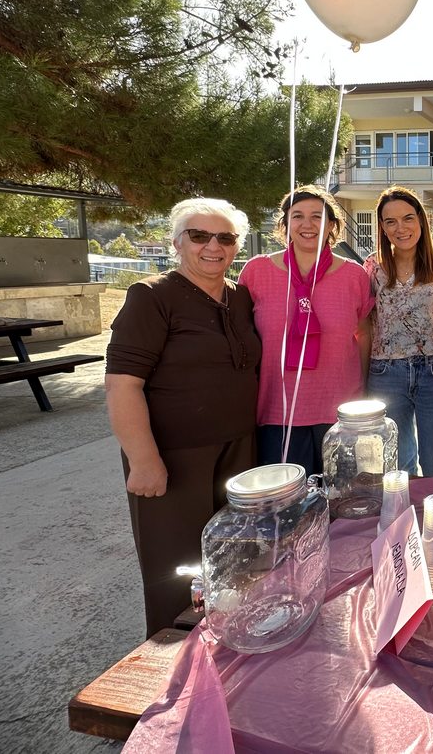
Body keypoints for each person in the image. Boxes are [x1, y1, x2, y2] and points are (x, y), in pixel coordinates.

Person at [105, 197, 261, 637]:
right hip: (173, 457)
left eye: (225, 237)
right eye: (199, 235)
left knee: (235, 564)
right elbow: (122, 384)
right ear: (177, 242)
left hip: (239, 452)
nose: (213, 246)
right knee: (176, 576)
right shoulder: (151, 296)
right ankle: (174, 662)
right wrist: (143, 460)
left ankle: (230, 649)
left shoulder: (241, 297)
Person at [237, 185, 373, 476]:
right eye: (297, 216)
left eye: (317, 216)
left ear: (332, 225)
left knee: (340, 497)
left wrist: (362, 389)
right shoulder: (256, 271)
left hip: (340, 410)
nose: (307, 224)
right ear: (285, 224)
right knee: (287, 499)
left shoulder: (355, 275)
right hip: (277, 409)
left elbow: (363, 333)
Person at [364, 186, 433, 477]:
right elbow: (364, 323)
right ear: (382, 227)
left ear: (421, 220)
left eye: (407, 218)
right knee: (396, 468)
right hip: (386, 374)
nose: (400, 228)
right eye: (390, 221)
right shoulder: (373, 267)